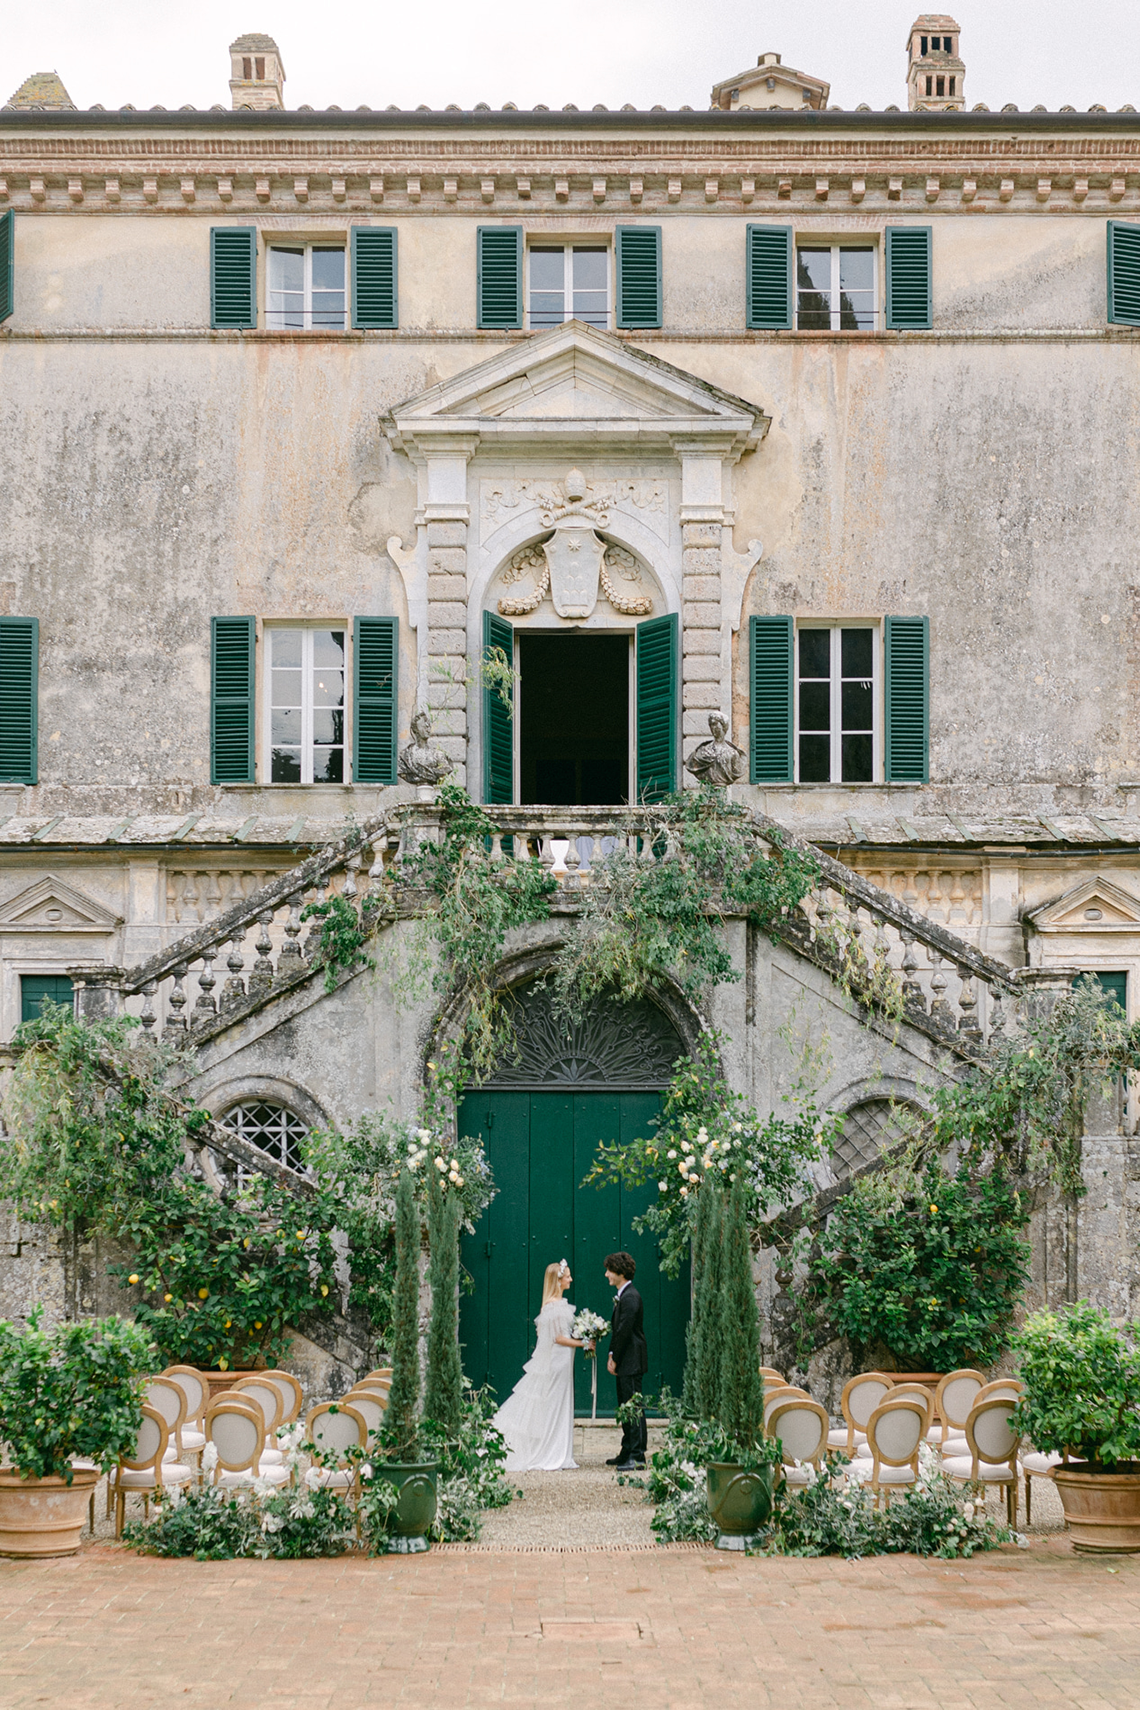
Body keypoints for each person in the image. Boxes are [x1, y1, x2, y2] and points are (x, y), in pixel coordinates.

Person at [491, 1259, 592, 1472]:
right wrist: (583, 1343)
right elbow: (558, 1338)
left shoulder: (557, 1304)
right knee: (554, 1403)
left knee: (559, 1402)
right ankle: (552, 1451)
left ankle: (560, 1449)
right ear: (558, 1281)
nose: (571, 1279)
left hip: (564, 1359)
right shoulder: (553, 1306)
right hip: (558, 1360)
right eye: (568, 1277)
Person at [604, 1251, 648, 1471]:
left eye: (610, 1270)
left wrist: (614, 1356)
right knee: (625, 1406)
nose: (606, 1275)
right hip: (627, 1360)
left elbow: (624, 1331)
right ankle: (627, 1449)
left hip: (631, 1359)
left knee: (633, 1408)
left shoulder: (630, 1297)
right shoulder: (625, 1294)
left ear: (620, 1272)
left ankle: (637, 1455)